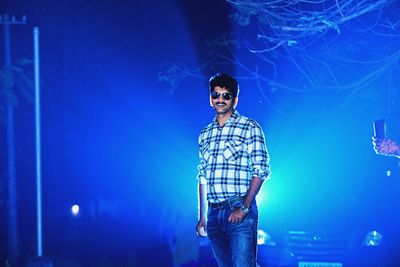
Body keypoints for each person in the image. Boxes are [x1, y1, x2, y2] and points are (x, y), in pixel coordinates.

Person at [195, 73, 271, 267]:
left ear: (235, 100)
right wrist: (202, 217)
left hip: (238, 209)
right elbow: (202, 176)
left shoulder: (249, 127)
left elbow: (261, 169)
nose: (220, 99)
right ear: (210, 99)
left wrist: (244, 207)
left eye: (226, 95)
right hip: (213, 214)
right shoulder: (205, 134)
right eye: (216, 95)